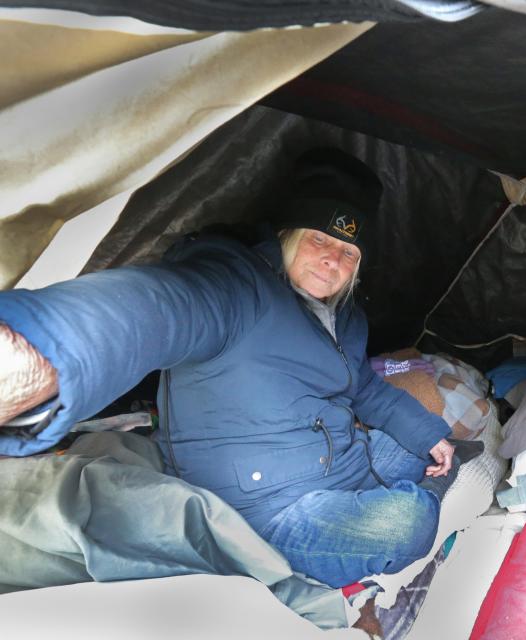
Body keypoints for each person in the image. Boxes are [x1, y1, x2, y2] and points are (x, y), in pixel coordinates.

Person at [0, 148, 476, 589]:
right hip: (268, 506)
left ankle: (405, 482)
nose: (332, 260)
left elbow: (366, 389)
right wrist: (42, 347)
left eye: (349, 253)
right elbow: (156, 311)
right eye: (319, 239)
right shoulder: (236, 285)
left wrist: (427, 434)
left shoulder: (346, 318)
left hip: (341, 464)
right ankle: (421, 494)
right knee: (405, 524)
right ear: (288, 236)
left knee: (420, 443)